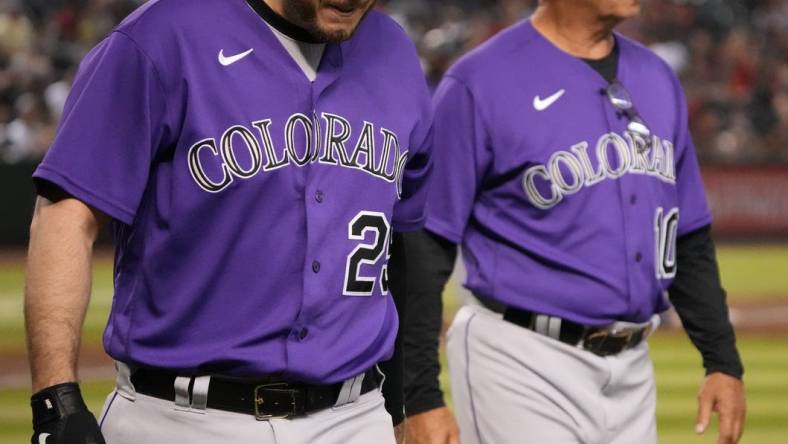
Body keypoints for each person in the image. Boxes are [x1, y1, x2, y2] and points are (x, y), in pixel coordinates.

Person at [24, 0, 433, 443]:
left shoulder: (394, 52)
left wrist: (404, 403)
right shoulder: (162, 35)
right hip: (182, 419)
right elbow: (67, 216)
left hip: (356, 416)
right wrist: (56, 401)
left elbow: (400, 244)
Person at [401, 1, 747, 443]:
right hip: (520, 361)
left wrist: (722, 361)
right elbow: (424, 248)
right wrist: (420, 395)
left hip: (633, 367)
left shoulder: (656, 78)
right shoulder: (479, 82)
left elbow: (687, 237)